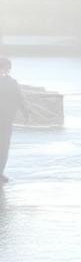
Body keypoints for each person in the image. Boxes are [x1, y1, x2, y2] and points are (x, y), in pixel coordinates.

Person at [0, 56, 21, 184]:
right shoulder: (12, 83)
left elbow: (19, 98)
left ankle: (0, 173)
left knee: (3, 148)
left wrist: (26, 110)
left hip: (6, 121)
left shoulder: (12, 82)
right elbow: (19, 98)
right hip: (5, 120)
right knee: (3, 148)